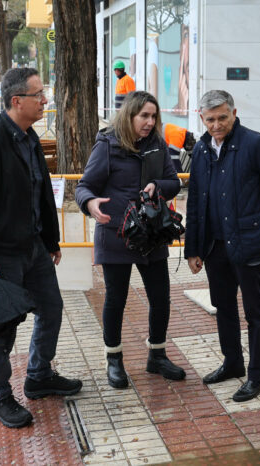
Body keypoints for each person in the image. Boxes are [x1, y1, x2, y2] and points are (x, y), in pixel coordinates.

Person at [0, 67, 82, 429]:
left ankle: (39, 376)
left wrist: (50, 239)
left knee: (52, 309)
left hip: (34, 250)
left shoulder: (29, 138)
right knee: (2, 328)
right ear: (17, 101)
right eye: (38, 94)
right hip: (1, 256)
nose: (45, 100)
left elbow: (39, 192)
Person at [185, 90, 260, 402]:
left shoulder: (256, 144)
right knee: (223, 307)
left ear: (234, 113)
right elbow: (195, 202)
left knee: (255, 311)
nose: (216, 125)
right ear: (201, 117)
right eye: (210, 119)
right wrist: (193, 248)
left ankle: (257, 376)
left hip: (250, 244)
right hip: (215, 246)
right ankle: (233, 362)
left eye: (222, 117)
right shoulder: (202, 149)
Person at [76, 91, 186, 390]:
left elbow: (174, 181)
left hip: (151, 234)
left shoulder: (157, 145)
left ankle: (157, 356)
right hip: (117, 234)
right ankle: (114, 359)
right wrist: (90, 203)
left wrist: (159, 186)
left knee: (161, 298)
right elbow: (85, 185)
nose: (150, 122)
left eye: (153, 116)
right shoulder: (108, 144)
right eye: (144, 116)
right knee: (116, 300)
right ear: (130, 116)